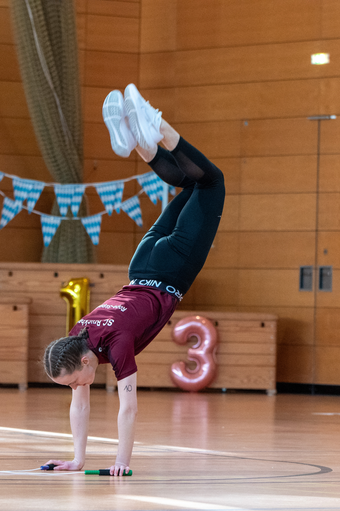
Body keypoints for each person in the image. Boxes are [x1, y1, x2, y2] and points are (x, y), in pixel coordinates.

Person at [42, 83, 225, 476]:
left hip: (170, 270)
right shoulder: (78, 335)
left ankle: (155, 126)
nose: (77, 388)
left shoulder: (116, 345)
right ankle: (136, 142)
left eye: (73, 381)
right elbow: (81, 404)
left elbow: (129, 408)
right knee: (193, 183)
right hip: (141, 263)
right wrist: (77, 460)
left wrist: (121, 463)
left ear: (85, 361)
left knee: (212, 181)